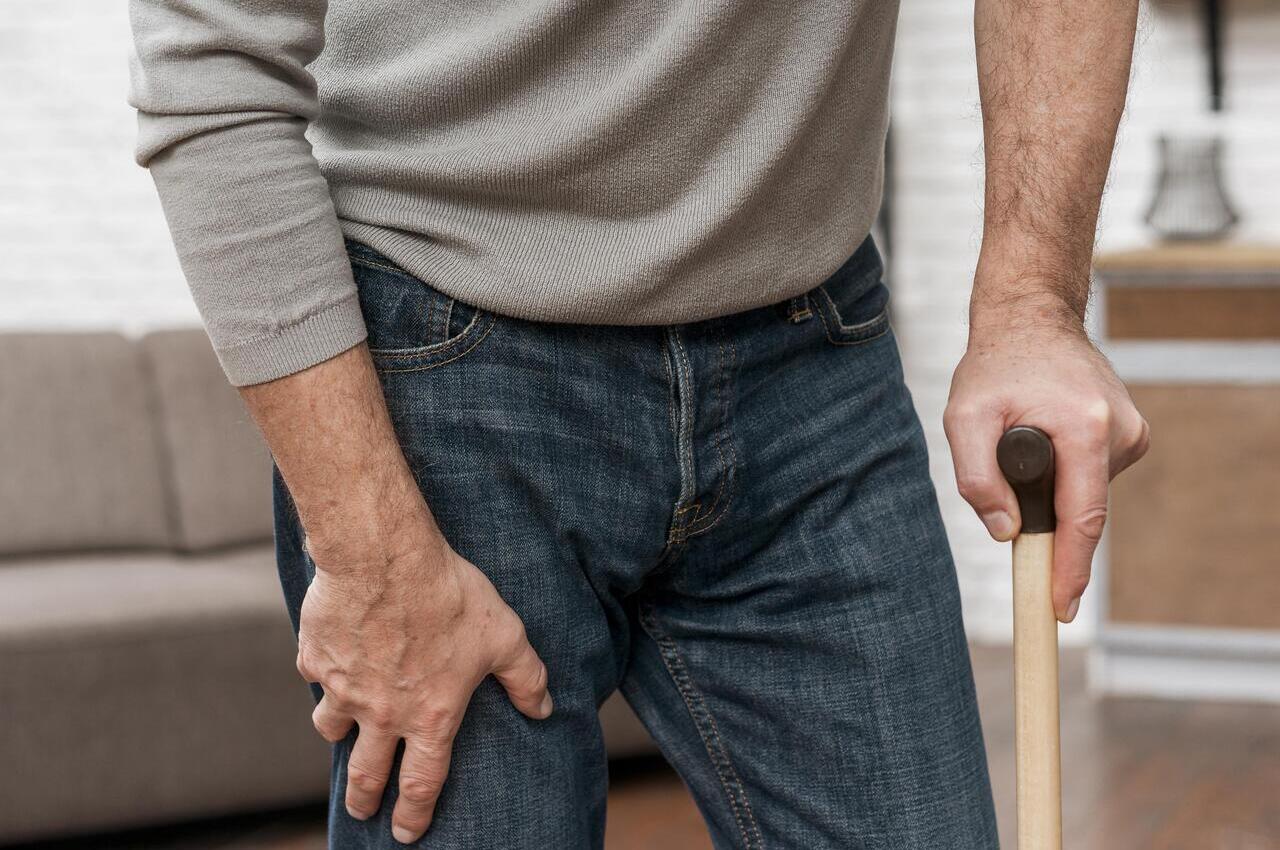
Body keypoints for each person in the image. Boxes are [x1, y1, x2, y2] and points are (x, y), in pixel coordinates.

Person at [128, 0, 1150, 846]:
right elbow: (211, 72)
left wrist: (1031, 302)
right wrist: (370, 554)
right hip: (442, 379)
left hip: (810, 350)